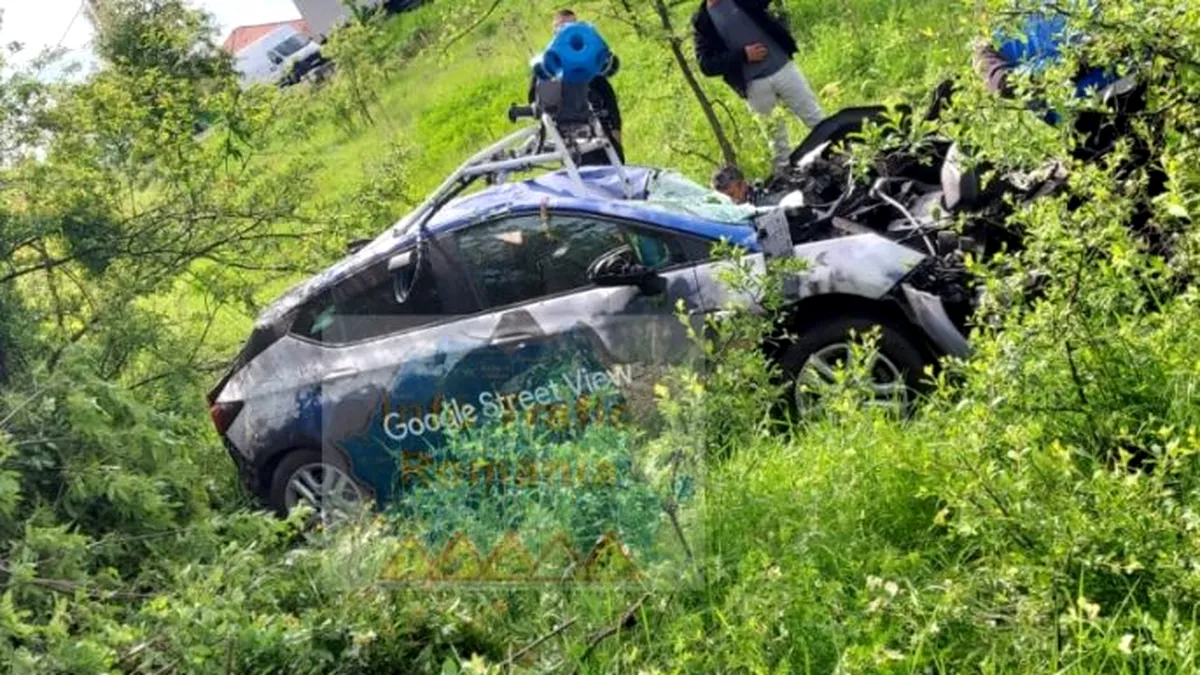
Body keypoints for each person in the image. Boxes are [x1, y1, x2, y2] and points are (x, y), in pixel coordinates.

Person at [692, 0, 824, 175]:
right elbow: (706, 65)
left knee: (816, 119)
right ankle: (791, 182)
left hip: (784, 69)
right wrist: (743, 55)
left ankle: (846, 158)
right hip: (754, 85)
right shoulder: (703, 21)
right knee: (778, 144)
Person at [528, 9, 625, 165]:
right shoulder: (547, 66)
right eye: (562, 28)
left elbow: (610, 102)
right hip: (570, 145)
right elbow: (535, 102)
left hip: (603, 141)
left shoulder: (592, 64)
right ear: (554, 32)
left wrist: (616, 137)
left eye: (572, 26)